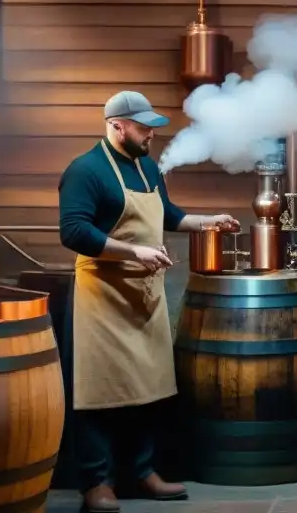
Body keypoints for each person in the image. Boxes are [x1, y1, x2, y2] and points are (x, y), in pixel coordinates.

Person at [59, 91, 240, 513]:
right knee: (99, 392)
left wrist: (206, 221)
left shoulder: (146, 169)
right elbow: (73, 232)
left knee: (151, 387)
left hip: (144, 295)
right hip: (102, 296)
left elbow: (168, 215)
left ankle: (142, 473)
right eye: (143, 128)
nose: (151, 135)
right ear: (116, 125)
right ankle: (96, 483)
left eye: (153, 128)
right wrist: (134, 252)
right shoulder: (85, 170)